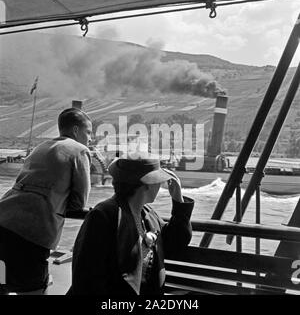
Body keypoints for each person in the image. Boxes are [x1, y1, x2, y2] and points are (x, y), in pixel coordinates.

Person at [67, 152, 194, 295]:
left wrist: (178, 201)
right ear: (147, 184)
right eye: (158, 180)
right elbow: (87, 279)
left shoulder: (147, 214)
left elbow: (176, 242)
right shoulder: (103, 215)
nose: (160, 185)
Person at [0, 108, 92, 294]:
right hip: (33, 232)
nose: (90, 138)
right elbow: (79, 202)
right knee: (34, 288)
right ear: (75, 130)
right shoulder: (80, 151)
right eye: (88, 132)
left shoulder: (39, 148)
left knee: (2, 282)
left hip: (3, 220)